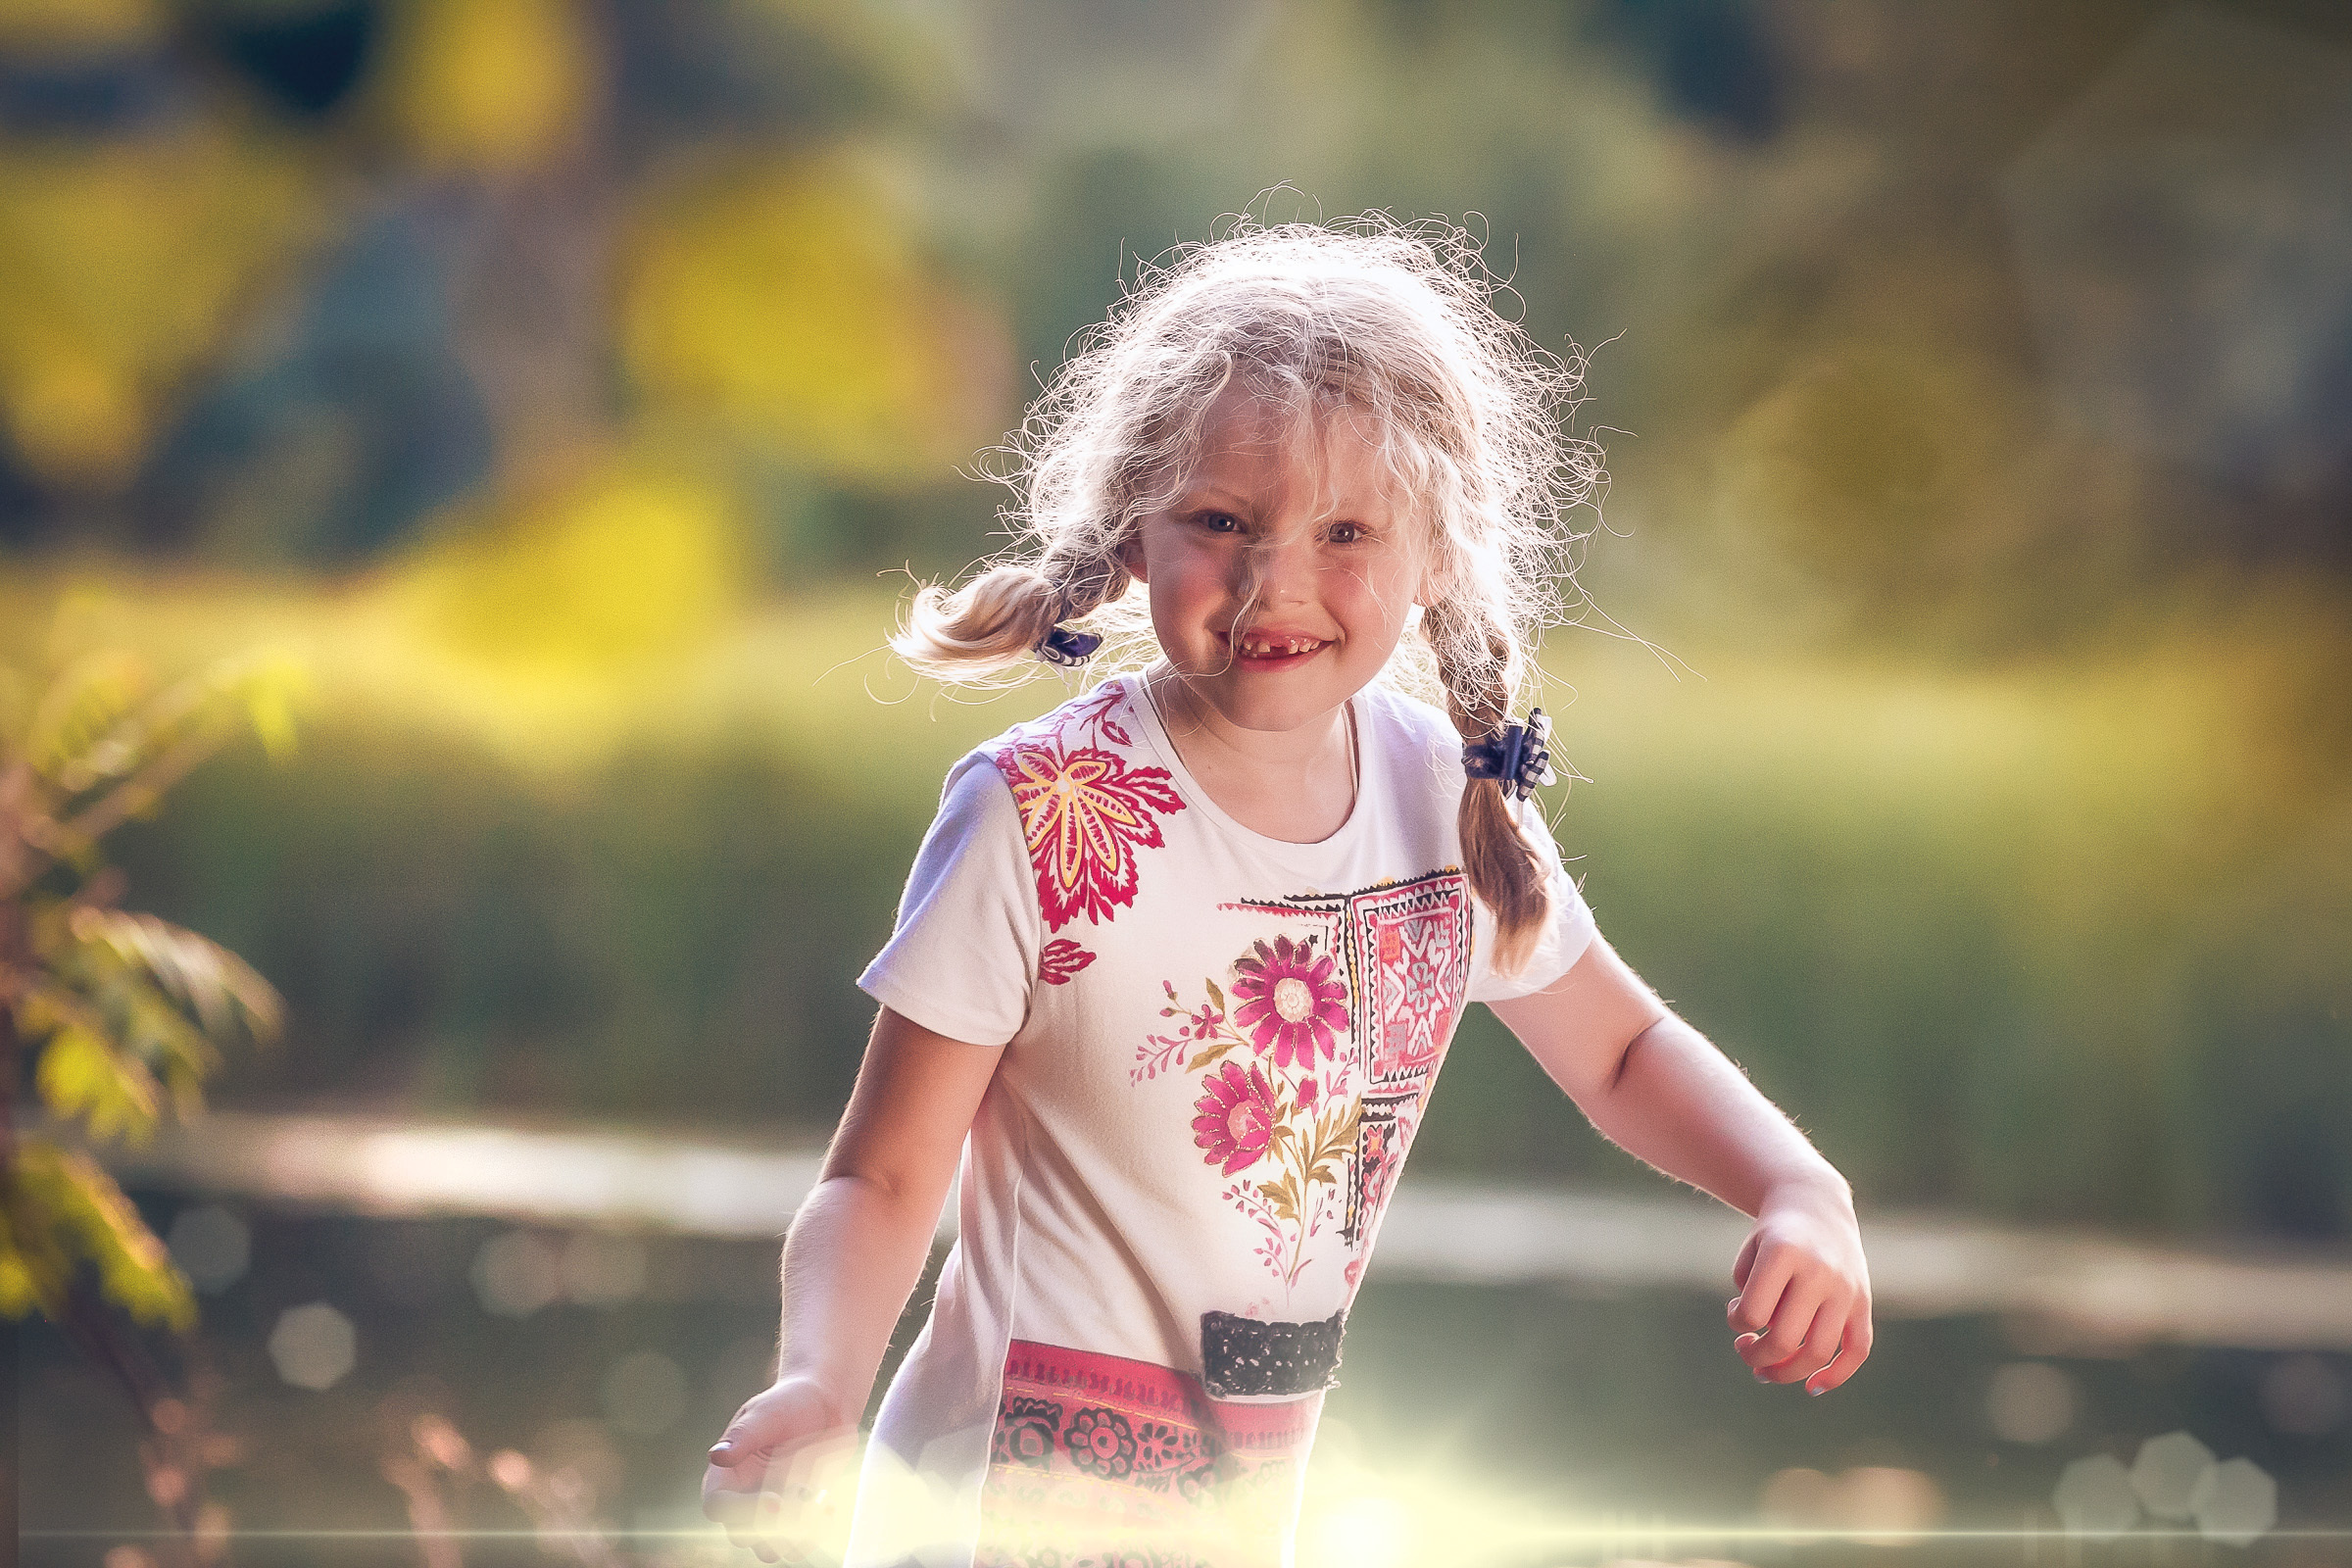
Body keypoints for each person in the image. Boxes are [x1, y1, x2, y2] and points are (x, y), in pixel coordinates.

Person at [702, 220, 1872, 1567]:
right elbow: (887, 1173)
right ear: (1133, 533)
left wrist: (1798, 1186)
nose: (1279, 583)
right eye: (1222, 522)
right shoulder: (1043, 811)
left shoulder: (1446, 804)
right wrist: (822, 1385)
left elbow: (1619, 1053)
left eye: (1347, 532)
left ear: (1436, 557)